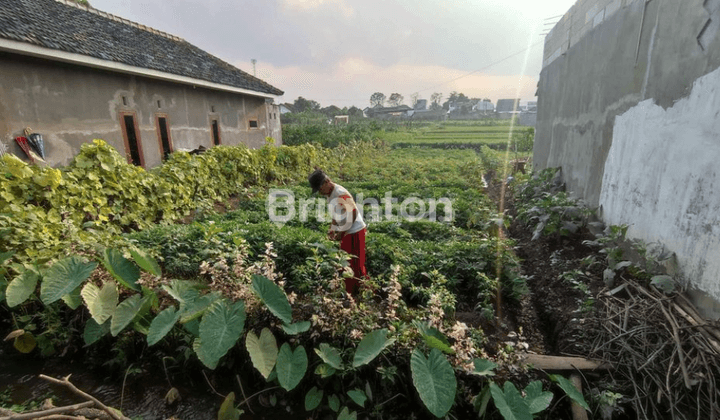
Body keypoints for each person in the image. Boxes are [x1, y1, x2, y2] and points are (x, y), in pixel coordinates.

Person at [308, 169, 367, 294]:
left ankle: (363, 293)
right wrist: (333, 229)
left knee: (355, 265)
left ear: (326, 182)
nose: (320, 192)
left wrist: (341, 232)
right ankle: (350, 293)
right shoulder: (329, 194)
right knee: (345, 263)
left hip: (355, 231)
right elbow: (336, 214)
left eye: (320, 189)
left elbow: (353, 212)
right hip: (347, 231)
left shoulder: (339, 193)